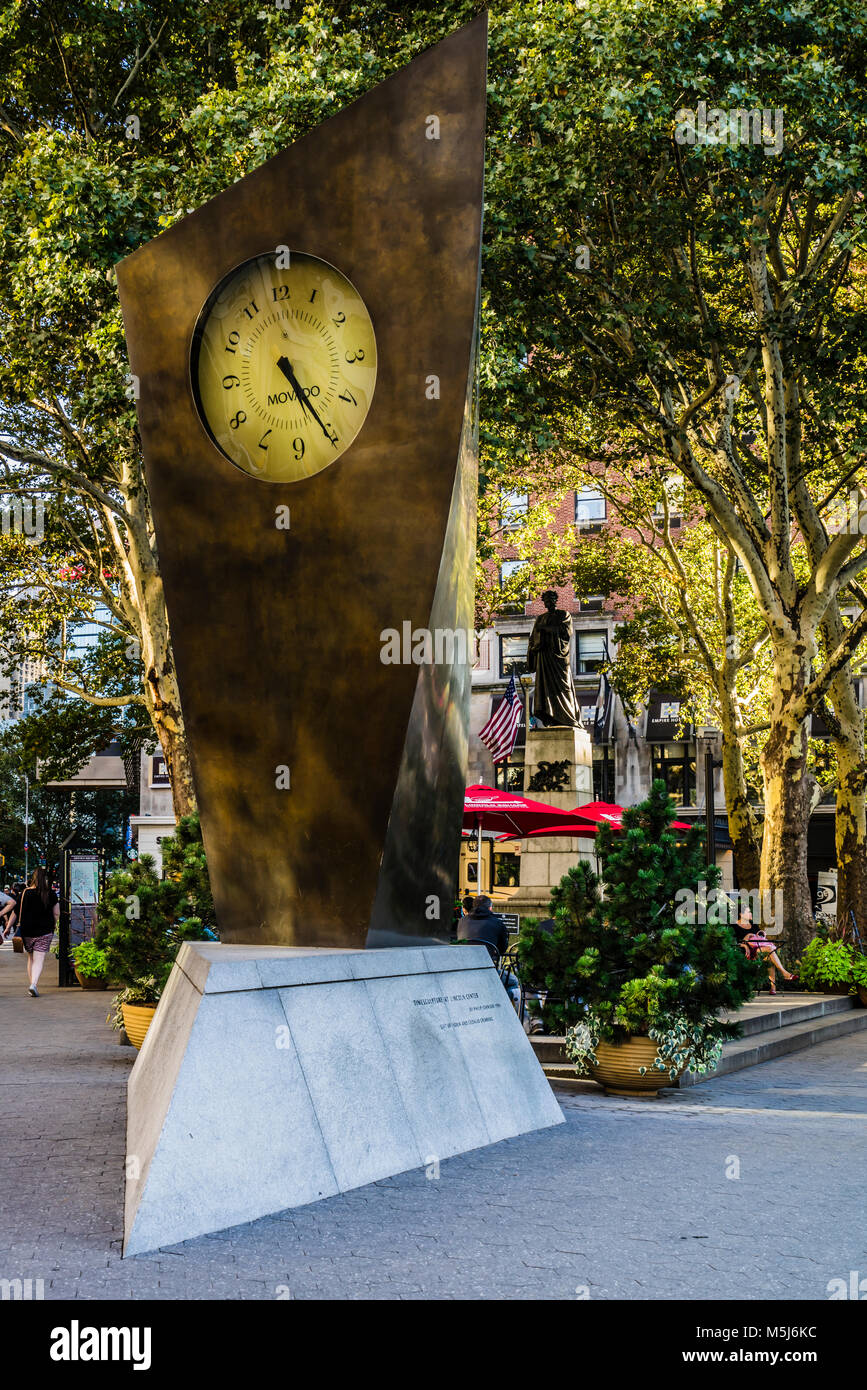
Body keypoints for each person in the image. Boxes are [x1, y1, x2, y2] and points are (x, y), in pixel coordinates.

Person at [527, 590, 582, 727]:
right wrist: (533, 649)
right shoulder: (540, 618)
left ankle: (569, 718)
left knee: (564, 688)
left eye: (551, 599)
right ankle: (550, 717)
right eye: (546, 600)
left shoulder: (564, 615)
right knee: (545, 689)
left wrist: (545, 629)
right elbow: (533, 639)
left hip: (559, 659)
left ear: (556, 600)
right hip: (544, 659)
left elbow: (566, 633)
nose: (549, 602)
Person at [12, 867, 59, 997]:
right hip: (45, 930)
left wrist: (7, 928)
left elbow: (16, 912)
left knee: (31, 958)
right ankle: (33, 984)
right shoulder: (50, 894)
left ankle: (32, 984)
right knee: (39, 959)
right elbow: (56, 913)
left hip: (27, 930)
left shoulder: (25, 893)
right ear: (46, 879)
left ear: (33, 878)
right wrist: (54, 924)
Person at [733, 905, 797, 995]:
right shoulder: (734, 926)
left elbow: (760, 937)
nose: (750, 913)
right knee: (770, 949)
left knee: (769, 956)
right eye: (748, 912)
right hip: (746, 952)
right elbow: (733, 942)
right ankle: (784, 974)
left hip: (759, 950)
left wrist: (762, 935)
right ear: (741, 914)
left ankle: (773, 987)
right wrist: (745, 945)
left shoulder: (753, 925)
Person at [457, 894, 508, 960]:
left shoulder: (462, 921)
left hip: (464, 961)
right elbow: (502, 949)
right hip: (486, 962)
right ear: (490, 908)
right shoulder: (497, 923)